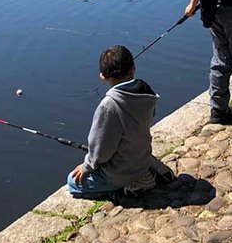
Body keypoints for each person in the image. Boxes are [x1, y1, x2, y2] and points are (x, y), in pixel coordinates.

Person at [67, 45, 173, 199]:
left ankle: (128, 186)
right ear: (133, 69)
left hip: (121, 172)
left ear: (102, 76)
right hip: (142, 156)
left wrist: (87, 166)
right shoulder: (146, 91)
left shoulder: (108, 106)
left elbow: (101, 148)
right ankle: (147, 168)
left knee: (72, 182)